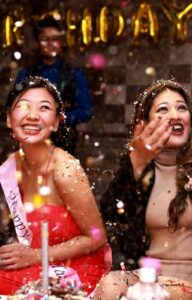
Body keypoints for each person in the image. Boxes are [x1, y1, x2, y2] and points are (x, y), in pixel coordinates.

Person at [0, 76, 111, 296]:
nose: (32, 116)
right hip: (37, 260)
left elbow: (97, 237)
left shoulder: (65, 169)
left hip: (75, 266)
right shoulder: (11, 166)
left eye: (44, 108)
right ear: (9, 119)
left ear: (57, 121)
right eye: (23, 106)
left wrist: (34, 255)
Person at [95, 79, 192, 300]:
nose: (175, 115)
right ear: (146, 124)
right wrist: (136, 161)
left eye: (182, 108)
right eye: (163, 110)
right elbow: (111, 210)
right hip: (150, 278)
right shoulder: (139, 168)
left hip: (187, 282)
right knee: (109, 284)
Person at [16, 15, 93, 155]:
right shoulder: (26, 73)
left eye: (55, 39)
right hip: (31, 143)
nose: (50, 44)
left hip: (64, 145)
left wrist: (58, 118)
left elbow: (86, 110)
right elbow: (14, 107)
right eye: (45, 39)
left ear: (61, 42)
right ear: (38, 42)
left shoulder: (74, 74)